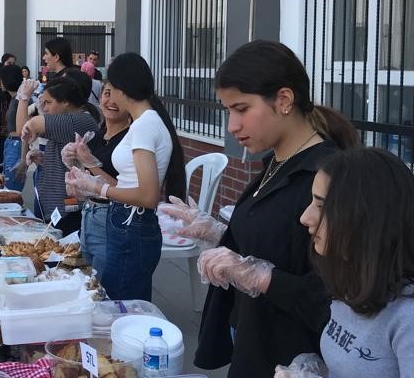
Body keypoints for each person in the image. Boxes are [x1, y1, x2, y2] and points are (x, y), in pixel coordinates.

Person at [161, 40, 359, 377]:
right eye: (228, 111)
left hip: (290, 360)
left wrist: (264, 279)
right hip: (250, 332)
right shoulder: (276, 162)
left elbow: (340, 295)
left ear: (284, 100)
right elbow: (277, 240)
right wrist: (218, 233)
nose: (232, 126)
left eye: (241, 109)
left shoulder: (326, 178)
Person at [271, 148, 414, 378]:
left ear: (368, 217)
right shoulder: (350, 285)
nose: (305, 218)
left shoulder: (407, 317)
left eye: (322, 206)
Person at [66, 53, 185, 300]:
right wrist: (90, 170)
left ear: (121, 88)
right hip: (125, 221)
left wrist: (98, 188)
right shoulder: (146, 122)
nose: (110, 97)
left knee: (119, 303)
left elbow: (148, 196)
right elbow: (130, 182)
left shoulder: (144, 125)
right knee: (118, 298)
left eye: (112, 90)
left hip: (132, 224)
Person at [62, 81, 130, 276]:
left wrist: (89, 162)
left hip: (112, 220)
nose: (112, 101)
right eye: (107, 93)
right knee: (88, 281)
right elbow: (90, 182)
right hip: (89, 215)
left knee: (104, 283)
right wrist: (74, 164)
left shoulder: (130, 140)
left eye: (119, 95)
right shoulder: (96, 135)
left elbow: (126, 190)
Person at [21, 76, 101, 235]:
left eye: (48, 102)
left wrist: (23, 98)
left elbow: (25, 126)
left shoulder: (77, 120)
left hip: (69, 208)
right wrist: (44, 159)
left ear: (65, 102)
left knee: (63, 245)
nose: (44, 108)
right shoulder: (70, 120)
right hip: (57, 206)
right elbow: (69, 160)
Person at [0, 65, 25, 190]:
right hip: (11, 142)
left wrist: (23, 159)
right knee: (7, 183)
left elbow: (25, 131)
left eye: (1, 79)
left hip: (17, 144)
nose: (0, 82)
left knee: (11, 187)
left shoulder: (21, 100)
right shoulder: (14, 98)